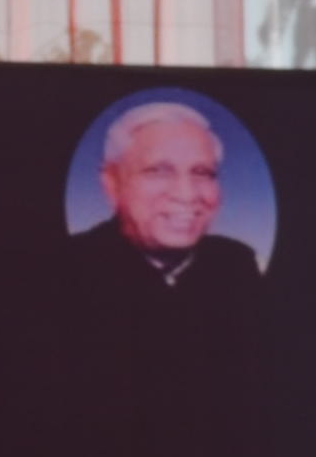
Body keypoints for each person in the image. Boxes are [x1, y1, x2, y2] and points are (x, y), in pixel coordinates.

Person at [61, 96, 263, 310]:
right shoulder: (69, 267)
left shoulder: (236, 263)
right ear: (112, 184)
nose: (186, 194)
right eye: (158, 171)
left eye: (202, 173)